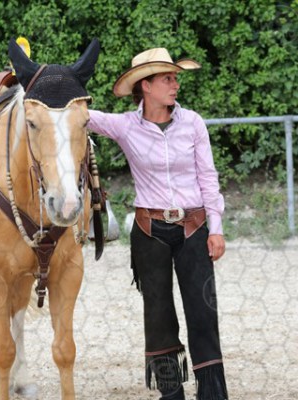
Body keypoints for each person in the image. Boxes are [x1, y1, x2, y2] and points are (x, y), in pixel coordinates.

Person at [87, 47, 228, 400]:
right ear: (145, 86)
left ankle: (212, 393)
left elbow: (208, 177)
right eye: (168, 78)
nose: (176, 84)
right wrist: (43, 87)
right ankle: (171, 393)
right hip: (149, 232)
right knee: (158, 315)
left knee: (203, 311)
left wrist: (216, 228)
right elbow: (80, 115)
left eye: (175, 78)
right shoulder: (124, 126)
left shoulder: (193, 123)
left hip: (194, 226)